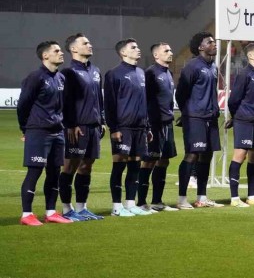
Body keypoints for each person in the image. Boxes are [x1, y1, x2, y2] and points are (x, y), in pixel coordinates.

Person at [18, 41, 71, 226]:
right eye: (56, 51)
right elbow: (23, 105)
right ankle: (26, 214)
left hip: (58, 132)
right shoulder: (35, 77)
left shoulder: (61, 78)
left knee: (54, 172)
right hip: (38, 131)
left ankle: (50, 212)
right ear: (45, 56)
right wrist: (26, 129)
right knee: (35, 171)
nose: (61, 53)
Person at [104, 38, 153, 216]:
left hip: (139, 128)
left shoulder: (141, 73)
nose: (138, 49)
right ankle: (117, 207)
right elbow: (109, 103)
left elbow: (144, 102)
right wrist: (114, 128)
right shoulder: (114, 74)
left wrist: (147, 127)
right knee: (119, 165)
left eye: (138, 46)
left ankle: (131, 204)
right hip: (122, 128)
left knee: (135, 166)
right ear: (123, 52)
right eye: (133, 47)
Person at [58, 33, 105, 221]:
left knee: (87, 167)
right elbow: (64, 101)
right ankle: (66, 209)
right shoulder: (67, 73)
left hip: (94, 126)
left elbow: (99, 99)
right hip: (77, 127)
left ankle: (82, 207)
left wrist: (101, 121)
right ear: (74, 49)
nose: (90, 45)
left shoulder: (95, 70)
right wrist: (70, 124)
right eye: (85, 43)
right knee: (70, 166)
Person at [175, 32, 223, 208]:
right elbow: (181, 93)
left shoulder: (213, 67)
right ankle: (182, 199)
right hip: (195, 118)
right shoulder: (192, 67)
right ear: (201, 47)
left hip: (211, 118)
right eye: (210, 42)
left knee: (206, 157)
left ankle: (202, 198)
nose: (214, 44)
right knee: (192, 155)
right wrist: (188, 112)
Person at [225, 43, 254, 208]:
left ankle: (252, 195)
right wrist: (237, 117)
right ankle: (234, 198)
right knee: (240, 157)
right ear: (250, 56)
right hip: (245, 121)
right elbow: (233, 100)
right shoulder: (244, 74)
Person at [140, 42, 178, 212]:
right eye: (166, 51)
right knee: (148, 162)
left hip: (167, 123)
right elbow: (144, 100)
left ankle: (157, 201)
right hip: (154, 125)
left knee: (164, 161)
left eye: (170, 49)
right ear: (156, 55)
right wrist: (147, 125)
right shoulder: (150, 73)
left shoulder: (168, 73)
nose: (170, 53)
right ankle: (141, 202)